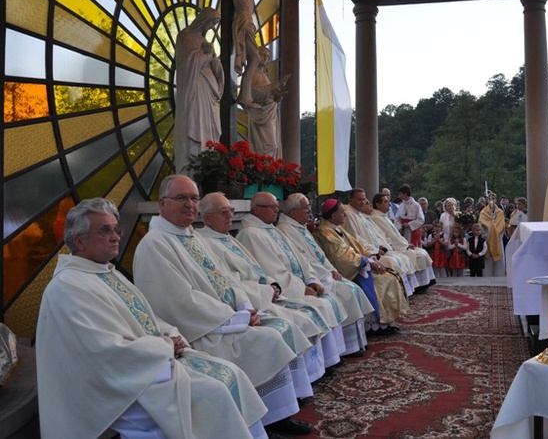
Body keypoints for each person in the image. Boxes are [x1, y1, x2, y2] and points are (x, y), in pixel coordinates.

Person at [37, 198, 267, 439]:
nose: (115, 237)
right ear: (78, 240)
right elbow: (102, 352)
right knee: (215, 391)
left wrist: (171, 335)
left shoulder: (104, 271)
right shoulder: (68, 287)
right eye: (105, 230)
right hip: (115, 385)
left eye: (116, 229)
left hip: (146, 364)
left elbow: (145, 318)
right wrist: (165, 346)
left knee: (231, 373)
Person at [133, 175, 312, 435]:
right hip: (202, 330)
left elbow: (225, 279)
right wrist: (233, 317)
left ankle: (277, 412)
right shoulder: (154, 244)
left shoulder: (189, 236)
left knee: (274, 334)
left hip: (226, 319)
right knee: (269, 340)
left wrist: (245, 305)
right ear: (162, 204)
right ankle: (272, 418)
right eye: (181, 198)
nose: (189, 204)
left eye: (193, 198)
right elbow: (181, 301)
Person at [196, 192, 329, 390]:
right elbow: (230, 282)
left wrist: (273, 286)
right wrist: (266, 292)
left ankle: (310, 376)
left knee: (312, 311)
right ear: (207, 218)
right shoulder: (211, 241)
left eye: (230, 211)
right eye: (224, 212)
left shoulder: (226, 237)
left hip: (259, 296)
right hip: (242, 307)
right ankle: (291, 393)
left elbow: (257, 268)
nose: (229, 217)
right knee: (288, 326)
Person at [236, 192, 346, 368]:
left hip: (295, 284)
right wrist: (300, 288)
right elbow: (273, 270)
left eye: (276, 206)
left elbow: (300, 258)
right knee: (316, 308)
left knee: (327, 302)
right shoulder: (251, 233)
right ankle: (314, 367)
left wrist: (310, 279)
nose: (276, 210)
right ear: (257, 209)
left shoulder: (271, 229)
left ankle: (330, 358)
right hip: (282, 292)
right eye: (271, 207)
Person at [277, 193, 374, 356]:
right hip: (314, 276)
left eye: (309, 207)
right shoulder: (286, 230)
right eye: (305, 208)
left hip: (321, 273)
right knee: (345, 293)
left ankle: (356, 343)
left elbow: (318, 254)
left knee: (351, 289)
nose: (309, 211)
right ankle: (346, 348)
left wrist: (331, 269)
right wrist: (322, 274)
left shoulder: (299, 227)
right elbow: (303, 258)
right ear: (293, 213)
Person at [312, 198, 409, 335]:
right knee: (385, 280)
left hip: (359, 265)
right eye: (342, 212)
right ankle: (377, 324)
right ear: (333, 216)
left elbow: (356, 245)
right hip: (344, 270)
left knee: (391, 275)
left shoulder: (337, 228)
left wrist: (371, 256)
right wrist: (366, 262)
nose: (345, 215)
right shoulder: (324, 232)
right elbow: (341, 257)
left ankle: (386, 322)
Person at [173, 8, 223, 175]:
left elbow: (215, 66)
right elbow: (186, 66)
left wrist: (213, 56)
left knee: (210, 128)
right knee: (196, 123)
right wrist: (207, 55)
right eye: (211, 23)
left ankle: (207, 169)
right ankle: (191, 172)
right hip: (195, 88)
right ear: (204, 19)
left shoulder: (203, 40)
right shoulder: (185, 36)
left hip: (209, 90)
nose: (211, 27)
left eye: (215, 24)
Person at [217, 0, 263, 108]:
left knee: (255, 58)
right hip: (243, 23)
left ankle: (244, 94)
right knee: (256, 58)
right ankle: (244, 95)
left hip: (248, 24)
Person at [371, 192, 435, 291]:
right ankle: (418, 286)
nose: (389, 204)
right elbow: (390, 235)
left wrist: (406, 243)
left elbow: (395, 234)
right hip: (395, 247)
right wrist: (405, 246)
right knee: (417, 255)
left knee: (422, 253)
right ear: (377, 204)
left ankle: (423, 284)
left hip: (402, 241)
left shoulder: (382, 216)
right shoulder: (376, 217)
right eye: (385, 201)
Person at [248, 46, 289, 158]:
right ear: (256, 55)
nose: (265, 58)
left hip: (269, 113)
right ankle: (265, 169)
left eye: (267, 56)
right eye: (263, 55)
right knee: (269, 145)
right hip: (261, 114)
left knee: (273, 145)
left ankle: (268, 169)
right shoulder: (253, 74)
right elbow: (254, 93)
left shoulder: (264, 76)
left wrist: (277, 97)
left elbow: (269, 96)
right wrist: (274, 86)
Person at [479, 193, 506, 277]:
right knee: (488, 262)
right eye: (490, 199)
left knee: (499, 262)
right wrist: (488, 234)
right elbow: (481, 225)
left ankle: (500, 277)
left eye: (493, 198)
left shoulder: (500, 212)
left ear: (496, 200)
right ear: (487, 200)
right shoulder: (483, 212)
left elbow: (502, 226)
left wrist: (495, 232)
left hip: (497, 239)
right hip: (487, 238)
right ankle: (487, 277)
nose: (491, 200)